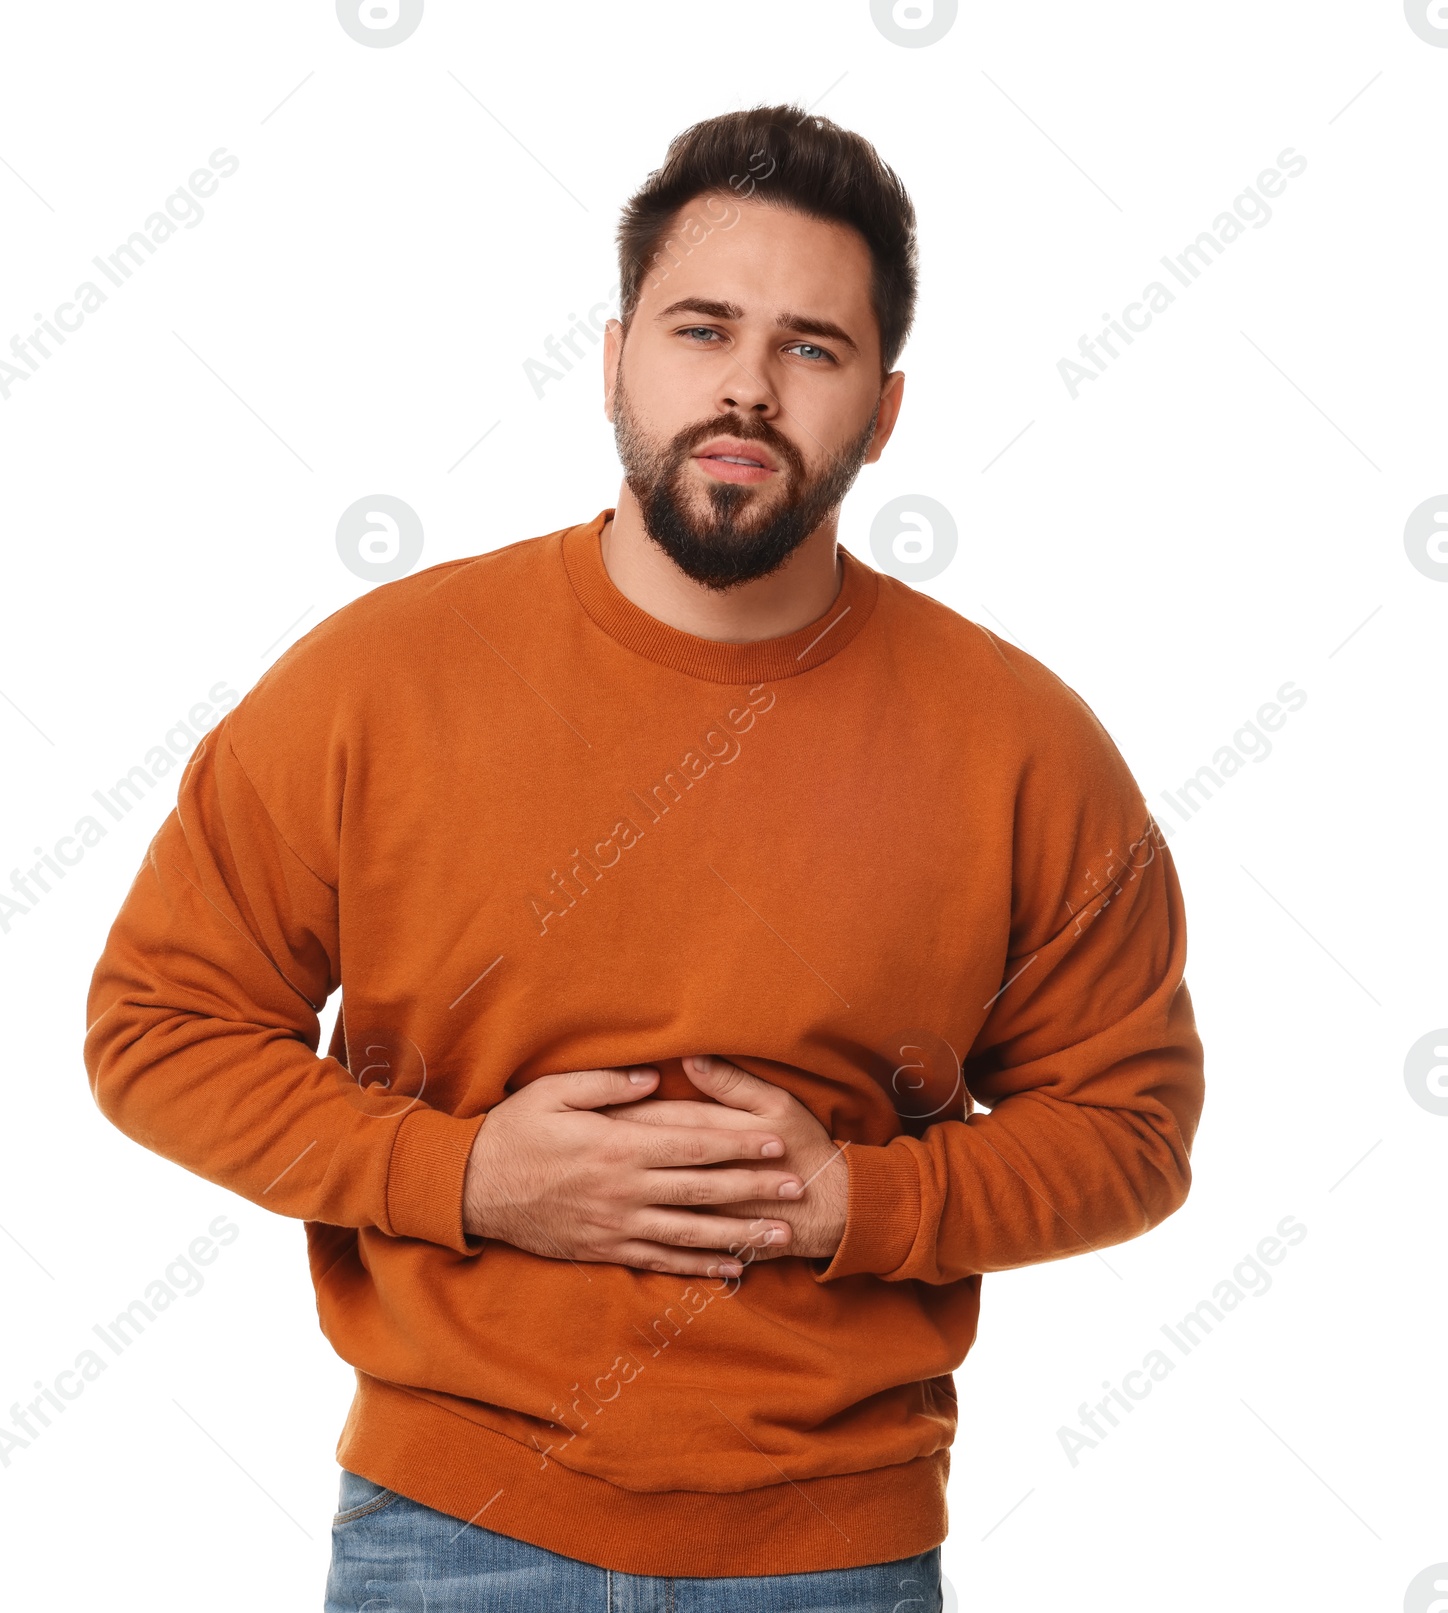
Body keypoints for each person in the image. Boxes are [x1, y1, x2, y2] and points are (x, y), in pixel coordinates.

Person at [84, 102, 1205, 1612]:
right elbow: (155, 1031)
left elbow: (1131, 1129)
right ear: (613, 359)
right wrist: (468, 1173)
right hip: (444, 1530)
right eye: (702, 329)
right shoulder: (377, 682)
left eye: (813, 348)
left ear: (883, 411)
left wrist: (851, 1207)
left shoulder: (1022, 743)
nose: (747, 387)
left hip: (840, 1555)